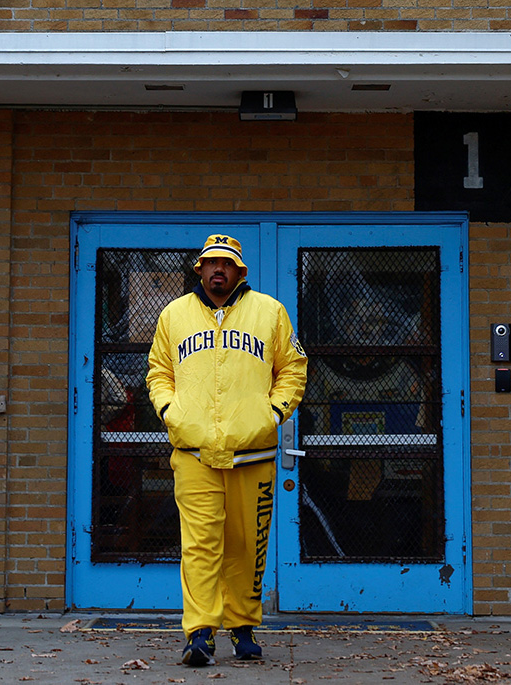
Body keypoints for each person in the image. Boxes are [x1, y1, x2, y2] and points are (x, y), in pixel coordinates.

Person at [146, 234, 308, 666]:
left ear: (241, 272)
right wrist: (169, 410)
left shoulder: (269, 312)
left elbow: (293, 369)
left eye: (228, 264)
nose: (219, 269)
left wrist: (272, 416)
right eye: (211, 263)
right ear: (198, 269)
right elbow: (158, 372)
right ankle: (199, 633)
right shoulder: (173, 315)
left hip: (251, 452)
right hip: (194, 451)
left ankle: (242, 628)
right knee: (199, 545)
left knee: (245, 545)